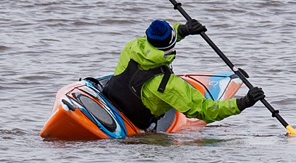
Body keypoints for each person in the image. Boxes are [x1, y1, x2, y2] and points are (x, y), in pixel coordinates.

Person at [103, 19, 265, 130]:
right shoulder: (168, 85)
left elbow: (157, 41)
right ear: (171, 45)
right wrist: (243, 103)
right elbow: (204, 110)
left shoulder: (131, 47)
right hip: (137, 120)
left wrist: (183, 30)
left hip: (111, 98)